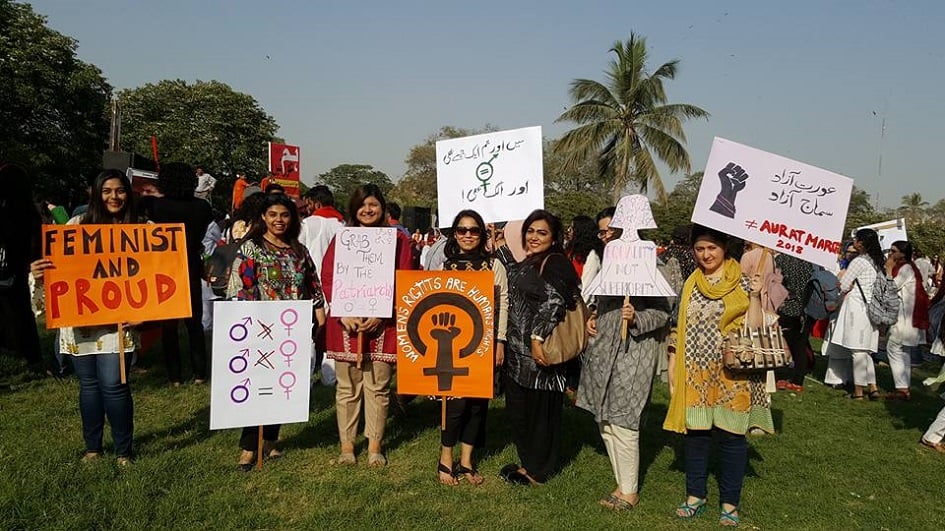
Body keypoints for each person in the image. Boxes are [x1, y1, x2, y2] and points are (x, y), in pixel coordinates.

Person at [663, 225, 772, 527]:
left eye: (711, 248)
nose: (706, 254)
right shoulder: (691, 283)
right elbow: (678, 323)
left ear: (724, 248)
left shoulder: (743, 281)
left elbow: (756, 327)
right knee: (697, 436)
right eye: (700, 248)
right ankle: (695, 495)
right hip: (696, 371)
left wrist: (757, 296)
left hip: (733, 374)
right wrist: (673, 359)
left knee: (732, 437)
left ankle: (730, 503)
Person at [30, 169, 140, 464]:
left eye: (119, 190)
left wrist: (146, 314)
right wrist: (40, 273)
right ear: (95, 194)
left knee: (114, 384)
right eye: (106, 191)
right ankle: (93, 448)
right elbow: (60, 268)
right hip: (81, 322)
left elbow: (159, 275)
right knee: (89, 385)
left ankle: (123, 451)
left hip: (118, 323)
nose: (113, 197)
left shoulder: (141, 229)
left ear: (128, 194)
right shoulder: (78, 225)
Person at [227, 193, 326, 470]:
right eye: (273, 215)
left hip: (291, 329)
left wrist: (319, 312)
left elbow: (312, 281)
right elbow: (240, 286)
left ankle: (270, 440)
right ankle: (249, 447)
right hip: (259, 328)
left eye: (284, 215)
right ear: (263, 218)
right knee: (258, 386)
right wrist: (245, 320)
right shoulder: (252, 248)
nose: (279, 220)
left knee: (282, 386)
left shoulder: (298, 250)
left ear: (292, 218)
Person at [320, 184, 414, 466]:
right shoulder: (342, 239)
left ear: (383, 208)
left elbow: (405, 278)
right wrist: (340, 310)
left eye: (373, 205)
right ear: (354, 208)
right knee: (347, 388)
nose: (368, 210)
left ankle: (375, 445)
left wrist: (383, 313)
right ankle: (347, 447)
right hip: (345, 323)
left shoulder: (398, 240)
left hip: (382, 325)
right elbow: (328, 276)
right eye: (362, 205)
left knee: (378, 386)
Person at [496, 209, 581, 486]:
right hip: (519, 357)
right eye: (530, 231)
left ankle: (538, 472)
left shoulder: (555, 263)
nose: (534, 237)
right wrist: (503, 251)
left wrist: (536, 338)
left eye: (541, 232)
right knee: (521, 413)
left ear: (554, 237)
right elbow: (517, 280)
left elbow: (554, 302)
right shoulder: (531, 261)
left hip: (541, 354)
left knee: (541, 415)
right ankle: (528, 463)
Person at [578, 267, 670, 508]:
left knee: (624, 421)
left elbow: (663, 313)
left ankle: (630, 491)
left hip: (633, 355)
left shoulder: (650, 268)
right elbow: (600, 303)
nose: (606, 236)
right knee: (605, 422)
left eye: (610, 232)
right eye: (603, 233)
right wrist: (593, 316)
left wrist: (637, 318)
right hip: (602, 353)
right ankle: (622, 485)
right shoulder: (611, 266)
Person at [434, 209, 508, 485]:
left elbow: (503, 305)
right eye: (462, 230)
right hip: (451, 346)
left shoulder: (494, 266)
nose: (468, 235)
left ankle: (466, 462)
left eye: (474, 230)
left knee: (477, 405)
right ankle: (445, 459)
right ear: (454, 234)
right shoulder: (445, 267)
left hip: (484, 344)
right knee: (454, 404)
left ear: (482, 233)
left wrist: (500, 341)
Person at [142, 162, 213, 386]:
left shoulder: (154, 206)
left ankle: (175, 376)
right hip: (191, 266)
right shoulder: (202, 207)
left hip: (163, 269)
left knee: (169, 327)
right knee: (194, 325)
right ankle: (200, 373)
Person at [823, 228, 883, 400]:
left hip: (857, 307)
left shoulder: (860, 261)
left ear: (861, 243)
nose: (854, 242)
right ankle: (873, 388)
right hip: (872, 308)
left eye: (856, 239)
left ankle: (858, 392)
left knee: (858, 351)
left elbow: (844, 284)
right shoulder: (877, 261)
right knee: (865, 351)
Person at [0, 163, 45, 374]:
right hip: (20, 271)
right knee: (21, 315)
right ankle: (30, 355)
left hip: (12, 269)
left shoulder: (7, 211)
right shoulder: (31, 213)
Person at [298, 185, 344, 385]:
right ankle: (330, 377)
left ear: (315, 203)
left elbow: (297, 252)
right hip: (335, 285)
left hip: (312, 284)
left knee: (307, 330)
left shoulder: (307, 224)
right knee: (333, 330)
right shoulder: (342, 225)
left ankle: (304, 378)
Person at [884, 240, 929, 400]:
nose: (890, 253)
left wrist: (888, 269)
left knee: (893, 348)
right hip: (907, 317)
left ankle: (902, 389)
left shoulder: (906, 268)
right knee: (903, 352)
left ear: (902, 254)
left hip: (906, 318)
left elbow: (891, 287)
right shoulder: (908, 267)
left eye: (893, 250)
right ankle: (904, 389)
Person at [774, 252, 814, 392]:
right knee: (800, 345)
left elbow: (776, 281)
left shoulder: (781, 259)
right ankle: (798, 380)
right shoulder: (811, 262)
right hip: (805, 308)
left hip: (784, 306)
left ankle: (779, 377)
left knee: (780, 343)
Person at [565, 215, 603, 300]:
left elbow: (587, 287)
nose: (569, 231)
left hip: (581, 306)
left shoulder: (592, 255)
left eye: (572, 228)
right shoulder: (571, 253)